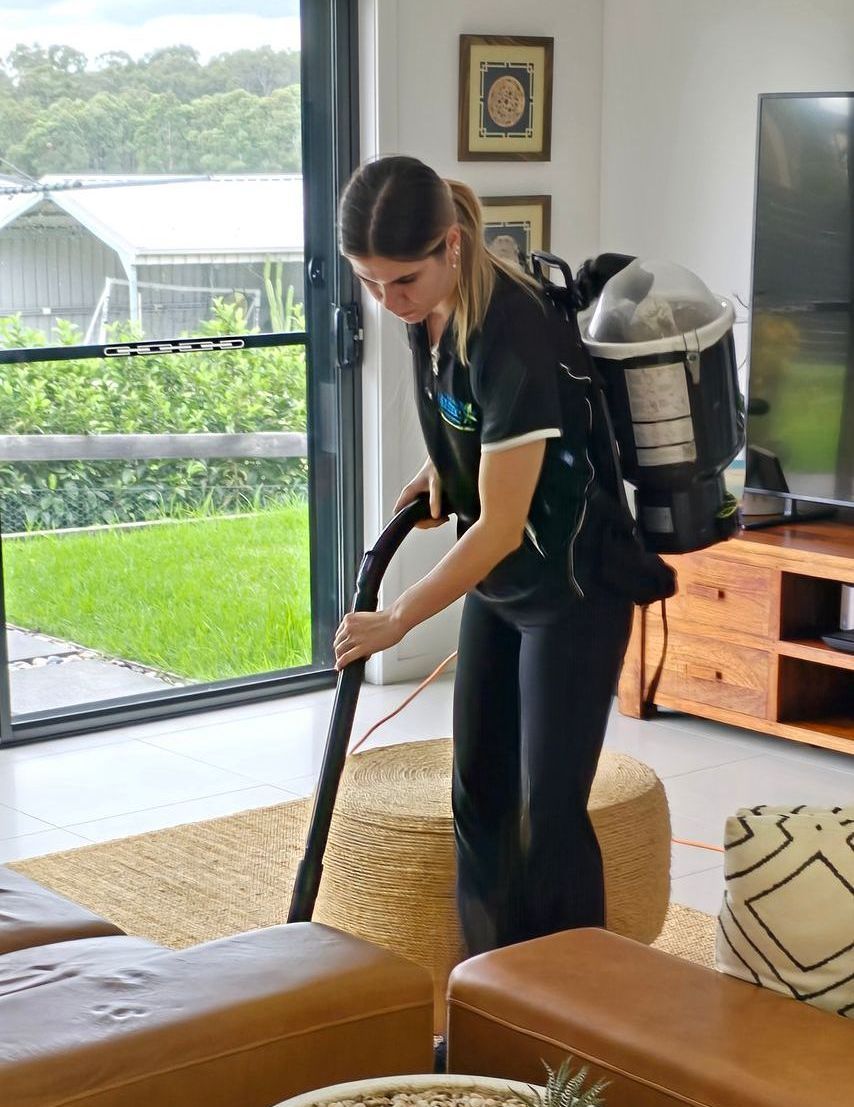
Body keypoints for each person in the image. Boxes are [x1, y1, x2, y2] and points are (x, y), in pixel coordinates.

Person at [333, 155, 635, 956]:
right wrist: (441, 471)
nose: (386, 301)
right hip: (508, 586)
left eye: (401, 280)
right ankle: (489, 984)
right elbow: (470, 416)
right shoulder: (424, 316)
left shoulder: (517, 328)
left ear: (452, 246)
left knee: (550, 811)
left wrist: (396, 617)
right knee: (479, 795)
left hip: (575, 588)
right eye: (368, 281)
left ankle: (574, 1012)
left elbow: (500, 524)